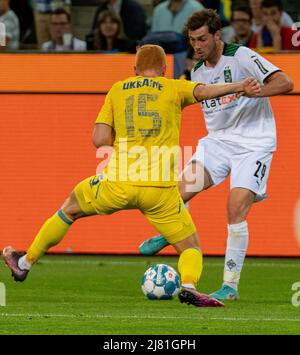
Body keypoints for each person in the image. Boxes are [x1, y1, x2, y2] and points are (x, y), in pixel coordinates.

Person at [2, 44, 261, 308]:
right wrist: (239, 86)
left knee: (69, 209)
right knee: (191, 247)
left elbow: (99, 139)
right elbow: (205, 92)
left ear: (134, 70)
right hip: (160, 192)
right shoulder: (174, 87)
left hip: (118, 183)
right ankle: (189, 285)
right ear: (164, 69)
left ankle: (24, 263)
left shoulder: (117, 89)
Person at [139, 9, 294, 301]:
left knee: (235, 208)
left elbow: (286, 83)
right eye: (192, 40)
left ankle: (230, 287)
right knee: (175, 196)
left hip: (253, 144)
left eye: (202, 39)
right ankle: (171, 233)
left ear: (217, 35)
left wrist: (255, 93)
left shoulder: (242, 56)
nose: (196, 46)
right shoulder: (197, 70)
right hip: (218, 144)